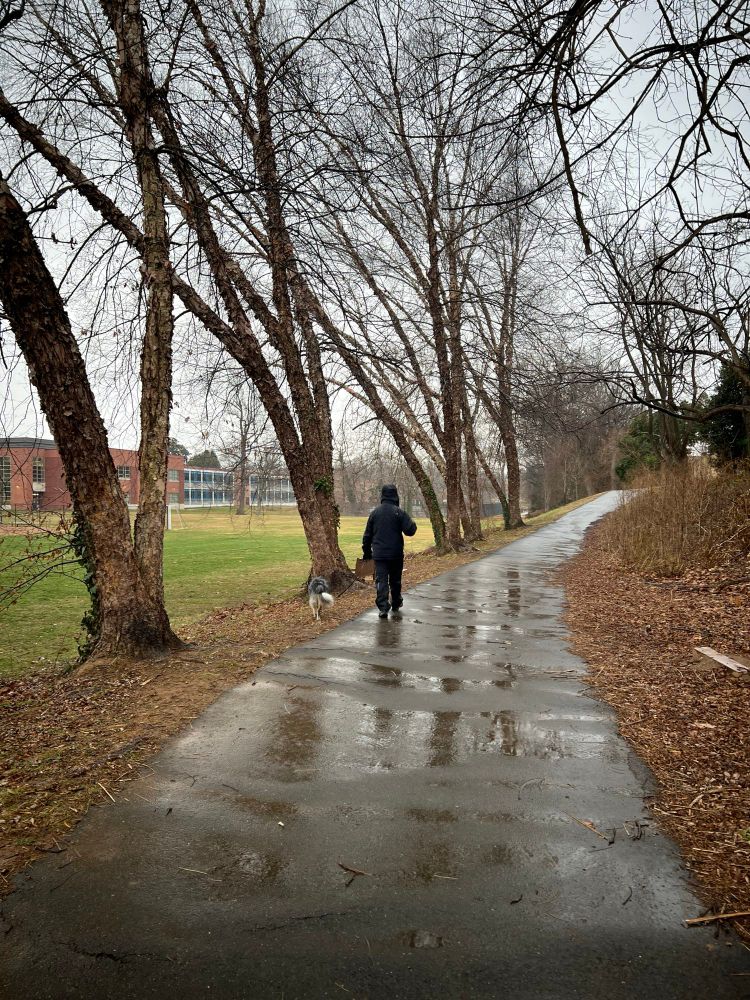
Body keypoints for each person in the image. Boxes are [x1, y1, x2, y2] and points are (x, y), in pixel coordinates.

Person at [362, 484, 417, 618]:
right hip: (396, 554)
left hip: (379, 554)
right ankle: (396, 602)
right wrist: (412, 522)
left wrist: (367, 553)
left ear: (382, 495)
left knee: (381, 580)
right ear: (395, 495)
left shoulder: (375, 513)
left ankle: (383, 607)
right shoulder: (399, 512)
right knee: (395, 580)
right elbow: (410, 531)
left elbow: (367, 536)